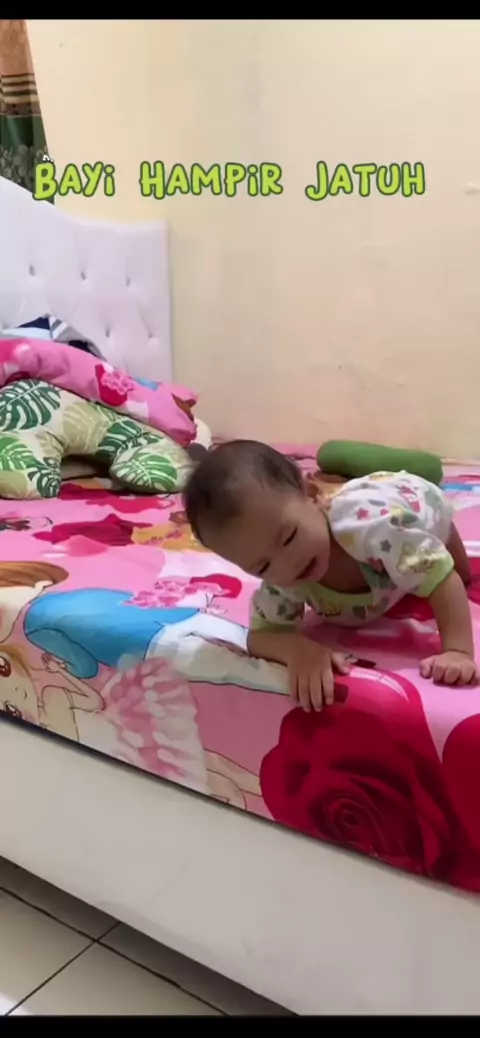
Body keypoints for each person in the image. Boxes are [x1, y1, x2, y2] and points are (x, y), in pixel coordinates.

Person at [184, 440, 479, 712]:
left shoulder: (376, 530)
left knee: (454, 569)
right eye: (262, 567)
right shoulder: (281, 580)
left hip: (413, 499)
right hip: (375, 524)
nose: (287, 566)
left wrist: (458, 651)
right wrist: (298, 650)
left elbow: (442, 579)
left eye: (289, 538)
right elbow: (261, 636)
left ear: (312, 495)